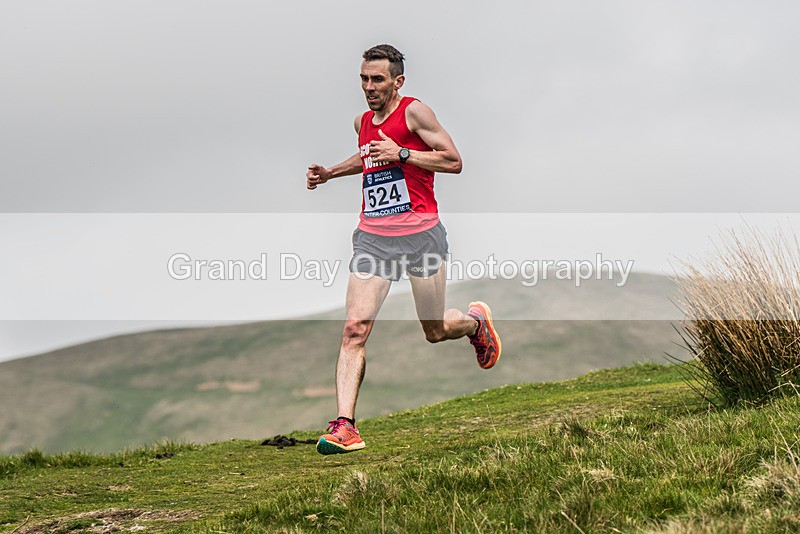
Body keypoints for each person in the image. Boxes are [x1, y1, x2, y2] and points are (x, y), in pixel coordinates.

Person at [306, 44, 501, 455]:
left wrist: (404, 153)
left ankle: (473, 324)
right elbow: (367, 160)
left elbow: (453, 161)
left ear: (398, 81)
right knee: (354, 330)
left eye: (377, 79)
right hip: (373, 238)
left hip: (420, 235)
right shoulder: (362, 120)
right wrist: (329, 173)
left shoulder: (415, 112)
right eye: (363, 78)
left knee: (434, 330)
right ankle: (346, 426)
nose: (369, 87)